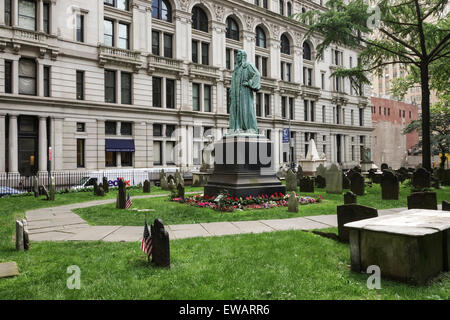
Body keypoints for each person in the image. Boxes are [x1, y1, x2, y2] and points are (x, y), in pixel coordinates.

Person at [228, 50, 261, 134]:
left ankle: (249, 128)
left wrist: (250, 83)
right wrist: (231, 91)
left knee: (245, 109)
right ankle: (236, 128)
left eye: (239, 55)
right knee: (235, 110)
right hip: (235, 94)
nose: (237, 57)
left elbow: (257, 74)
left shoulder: (248, 66)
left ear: (243, 57)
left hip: (244, 93)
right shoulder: (236, 69)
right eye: (237, 56)